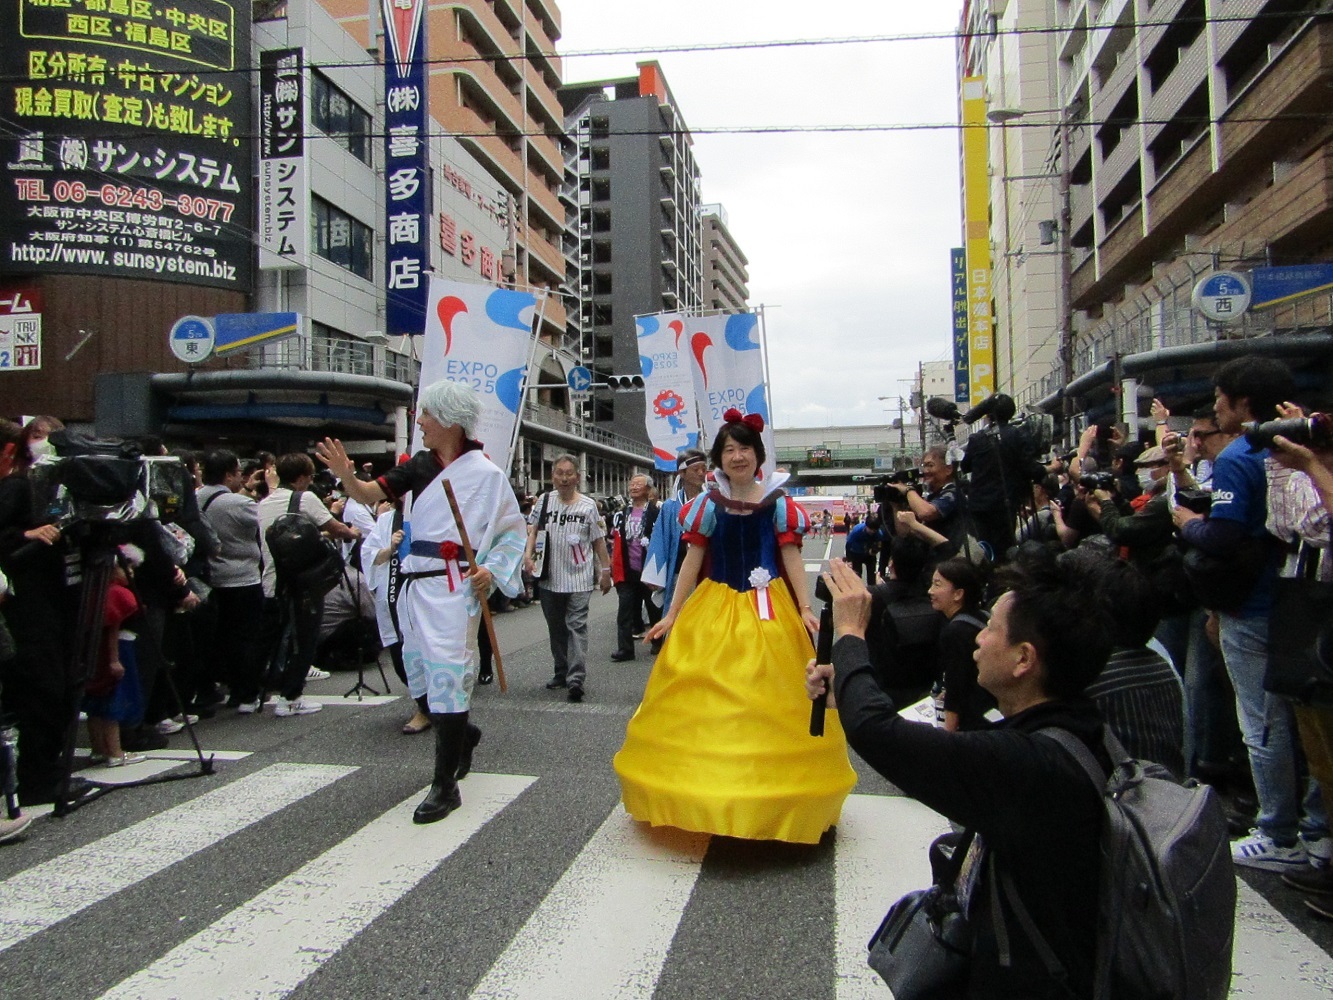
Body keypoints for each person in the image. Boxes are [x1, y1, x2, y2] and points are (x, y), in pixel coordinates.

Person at [808, 555, 1116, 997]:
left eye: (991, 627)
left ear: (1023, 659)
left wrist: (851, 635)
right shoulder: (1075, 728)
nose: (979, 636)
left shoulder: (1029, 764)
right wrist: (849, 689)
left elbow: (878, 733)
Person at [617, 409, 857, 844]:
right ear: (718, 459)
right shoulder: (708, 505)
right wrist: (672, 613)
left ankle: (771, 799)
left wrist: (804, 605)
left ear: (758, 454)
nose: (737, 456)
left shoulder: (778, 503)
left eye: (744, 448)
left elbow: (789, 556)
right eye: (729, 449)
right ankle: (707, 797)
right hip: (716, 605)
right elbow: (690, 562)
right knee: (706, 693)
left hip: (770, 611)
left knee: (775, 690)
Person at [316, 380, 527, 824]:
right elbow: (370, 495)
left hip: (456, 587)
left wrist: (490, 568)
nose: (420, 422)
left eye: (426, 414)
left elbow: (511, 529)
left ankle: (444, 786)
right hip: (414, 583)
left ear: (449, 419)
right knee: (420, 678)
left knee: (449, 675)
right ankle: (462, 733)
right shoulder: (418, 466)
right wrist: (346, 475)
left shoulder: (487, 474)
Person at [1173, 357, 1331, 871]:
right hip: (1303, 604)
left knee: (1263, 723)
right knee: (1310, 721)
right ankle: (1317, 828)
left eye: (1220, 397)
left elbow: (1226, 534)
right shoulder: (1298, 451)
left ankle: (1278, 831)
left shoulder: (1242, 456)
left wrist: (1187, 522)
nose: (1215, 406)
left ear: (1243, 403)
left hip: (1256, 605)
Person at [1268, 418, 1333, 913]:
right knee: (1320, 755)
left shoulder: (1317, 478)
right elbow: (1284, 525)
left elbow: (1316, 524)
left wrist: (1309, 465)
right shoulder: (1306, 477)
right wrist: (1283, 466)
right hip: (1311, 622)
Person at [257, 453, 360, 718]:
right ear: (302, 477)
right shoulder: (305, 499)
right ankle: (291, 697)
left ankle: (253, 694)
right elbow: (334, 528)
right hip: (303, 582)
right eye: (311, 476)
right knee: (305, 639)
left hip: (271, 580)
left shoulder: (264, 503)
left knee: (273, 639)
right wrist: (352, 533)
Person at [524, 455, 612, 702]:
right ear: (553, 476)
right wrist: (527, 556)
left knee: (576, 626)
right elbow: (533, 531)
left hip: (579, 578)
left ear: (577, 477)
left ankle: (576, 679)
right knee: (556, 627)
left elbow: (598, 541)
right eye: (559, 473)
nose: (564, 478)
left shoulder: (588, 506)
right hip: (550, 576)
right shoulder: (544, 501)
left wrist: (605, 572)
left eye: (569, 473)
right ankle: (560, 670)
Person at [197, 449, 266, 714]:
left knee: (219, 637)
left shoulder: (196, 497)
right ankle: (245, 692)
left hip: (210, 578)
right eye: (238, 473)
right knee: (246, 638)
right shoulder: (239, 503)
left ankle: (215, 687)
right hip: (242, 578)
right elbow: (265, 524)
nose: (241, 478)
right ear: (228, 475)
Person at [960, 393, 1038, 561]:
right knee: (1004, 550)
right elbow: (1029, 468)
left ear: (987, 414)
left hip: (979, 505)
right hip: (1006, 502)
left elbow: (965, 466)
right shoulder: (1018, 435)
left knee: (982, 549)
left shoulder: (977, 439)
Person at [928, 557, 992, 732]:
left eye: (937, 585)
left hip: (973, 719)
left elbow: (956, 687)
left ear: (958, 594)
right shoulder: (984, 616)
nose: (930, 591)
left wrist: (948, 737)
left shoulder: (955, 631)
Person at [642, 449, 708, 612]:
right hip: (679, 571)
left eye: (703, 469)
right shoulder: (670, 507)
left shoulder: (711, 502)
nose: (701, 473)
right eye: (695, 469)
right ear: (682, 472)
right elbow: (660, 540)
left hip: (708, 573)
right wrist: (654, 575)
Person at [608, 474, 661, 661]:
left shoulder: (656, 512)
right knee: (625, 610)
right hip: (627, 568)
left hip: (648, 568)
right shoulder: (622, 513)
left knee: (654, 608)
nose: (634, 487)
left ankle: (657, 641)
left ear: (648, 489)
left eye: (639, 484)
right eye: (632, 484)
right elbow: (613, 539)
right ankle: (625, 648)